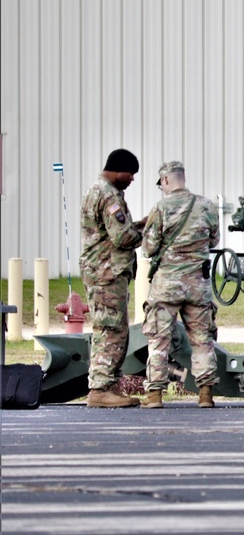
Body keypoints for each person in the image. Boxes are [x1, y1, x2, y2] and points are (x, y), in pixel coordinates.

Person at [141, 161, 220, 408]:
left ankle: (155, 395)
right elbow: (214, 240)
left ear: (165, 180)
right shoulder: (207, 205)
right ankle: (205, 394)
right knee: (202, 339)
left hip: (167, 286)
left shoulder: (161, 208)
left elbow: (149, 248)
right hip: (198, 285)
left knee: (159, 339)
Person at [80, 148, 147, 408]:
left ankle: (107, 386)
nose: (132, 179)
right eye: (130, 174)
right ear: (118, 170)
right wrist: (149, 232)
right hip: (106, 273)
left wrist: (139, 224)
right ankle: (99, 390)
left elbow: (113, 232)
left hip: (102, 271)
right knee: (111, 330)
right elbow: (122, 238)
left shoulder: (99, 190)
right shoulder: (108, 196)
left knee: (111, 328)